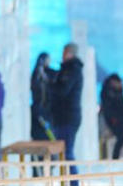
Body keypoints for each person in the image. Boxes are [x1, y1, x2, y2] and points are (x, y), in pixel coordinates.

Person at [52, 44, 83, 182]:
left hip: (67, 117)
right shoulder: (67, 70)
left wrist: (50, 84)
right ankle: (69, 182)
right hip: (62, 117)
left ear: (71, 53)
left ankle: (73, 183)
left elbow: (62, 90)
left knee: (67, 153)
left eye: (65, 52)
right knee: (64, 154)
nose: (62, 55)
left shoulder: (73, 70)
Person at [100, 73, 123, 159]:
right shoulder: (107, 92)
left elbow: (122, 104)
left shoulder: (118, 91)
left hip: (122, 118)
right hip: (114, 119)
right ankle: (115, 158)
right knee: (121, 137)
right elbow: (108, 108)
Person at [31, 52, 57, 141]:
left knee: (46, 134)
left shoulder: (46, 73)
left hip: (42, 109)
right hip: (42, 110)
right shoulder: (38, 74)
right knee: (45, 134)